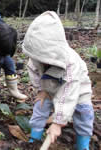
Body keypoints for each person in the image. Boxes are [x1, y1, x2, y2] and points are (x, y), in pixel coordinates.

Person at [22, 11, 94, 150]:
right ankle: (33, 141)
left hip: (77, 91)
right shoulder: (35, 57)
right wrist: (42, 90)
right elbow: (34, 72)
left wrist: (58, 123)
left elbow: (68, 95)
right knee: (40, 107)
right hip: (49, 87)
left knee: (84, 115)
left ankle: (82, 145)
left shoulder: (70, 63)